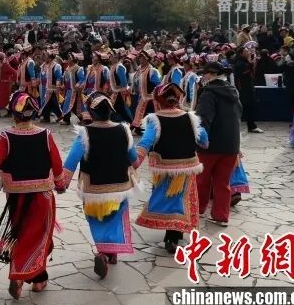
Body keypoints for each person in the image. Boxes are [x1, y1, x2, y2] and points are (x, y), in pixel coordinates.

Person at [0, 91, 64, 298]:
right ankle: (21, 275)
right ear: (32, 114)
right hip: (42, 196)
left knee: (23, 234)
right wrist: (60, 183)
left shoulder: (7, 137)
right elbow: (57, 163)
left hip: (16, 197)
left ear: (14, 115)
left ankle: (38, 278)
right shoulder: (45, 135)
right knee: (40, 236)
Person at [59, 92, 138, 279]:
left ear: (91, 113)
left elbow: (71, 161)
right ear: (110, 112)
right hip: (120, 186)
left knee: (98, 220)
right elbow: (134, 160)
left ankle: (102, 252)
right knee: (115, 218)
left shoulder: (85, 133)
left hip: (93, 188)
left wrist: (62, 183)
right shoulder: (123, 130)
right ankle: (112, 253)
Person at [134, 83, 209, 253]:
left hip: (164, 168)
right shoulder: (190, 117)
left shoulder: (155, 119)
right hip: (188, 167)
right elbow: (204, 141)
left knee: (168, 199)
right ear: (177, 100)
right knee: (181, 199)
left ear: (159, 100)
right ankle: (175, 234)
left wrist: (134, 162)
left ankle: (171, 237)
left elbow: (145, 142)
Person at [194, 62, 241, 227]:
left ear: (211, 74)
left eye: (204, 73)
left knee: (202, 179)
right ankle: (221, 215)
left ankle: (198, 209)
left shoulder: (208, 93)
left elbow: (203, 119)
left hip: (211, 144)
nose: (202, 77)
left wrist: (199, 139)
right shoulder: (233, 91)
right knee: (223, 182)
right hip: (231, 144)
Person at [232, 43, 263, 134]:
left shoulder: (245, 61)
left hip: (248, 88)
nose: (248, 53)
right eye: (246, 51)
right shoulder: (239, 63)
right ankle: (247, 126)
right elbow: (243, 73)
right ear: (241, 53)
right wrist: (250, 64)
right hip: (243, 90)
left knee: (249, 108)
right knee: (244, 108)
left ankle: (251, 126)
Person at [131, 50, 161, 133]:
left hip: (150, 99)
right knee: (141, 113)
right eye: (140, 58)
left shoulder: (152, 71)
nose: (141, 60)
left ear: (148, 59)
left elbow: (158, 85)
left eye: (143, 58)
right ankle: (140, 128)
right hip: (142, 97)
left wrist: (154, 94)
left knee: (149, 114)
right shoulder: (139, 70)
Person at [81, 51, 110, 123]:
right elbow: (86, 79)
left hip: (98, 91)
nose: (92, 59)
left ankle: (97, 120)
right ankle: (87, 120)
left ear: (98, 59)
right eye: (93, 57)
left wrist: (104, 91)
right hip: (89, 90)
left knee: (96, 107)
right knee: (87, 106)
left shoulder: (104, 68)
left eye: (94, 57)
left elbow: (107, 81)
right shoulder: (90, 67)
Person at [0, 52, 17, 118]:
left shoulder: (6, 65)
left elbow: (14, 72)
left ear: (1, 59)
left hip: (6, 85)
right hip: (0, 84)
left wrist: (13, 81)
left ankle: (8, 113)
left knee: (6, 99)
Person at [106, 50, 131, 123]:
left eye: (111, 56)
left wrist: (118, 89)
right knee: (117, 110)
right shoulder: (113, 66)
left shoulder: (119, 67)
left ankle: (133, 125)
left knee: (122, 110)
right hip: (115, 92)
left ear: (116, 57)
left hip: (120, 93)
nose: (109, 58)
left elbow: (124, 82)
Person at [59, 53, 85, 124]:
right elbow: (65, 79)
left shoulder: (78, 69)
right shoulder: (67, 69)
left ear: (74, 59)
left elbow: (82, 79)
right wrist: (63, 85)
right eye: (68, 58)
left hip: (75, 92)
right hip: (68, 91)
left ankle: (83, 119)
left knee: (76, 106)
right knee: (67, 105)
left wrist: (78, 84)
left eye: (70, 58)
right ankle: (66, 119)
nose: (68, 59)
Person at [39, 50, 63, 121]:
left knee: (53, 102)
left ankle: (60, 115)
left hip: (52, 88)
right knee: (46, 103)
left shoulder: (56, 66)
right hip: (44, 87)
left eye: (46, 56)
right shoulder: (43, 65)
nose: (44, 57)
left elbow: (59, 77)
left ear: (50, 58)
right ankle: (46, 117)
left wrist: (58, 87)